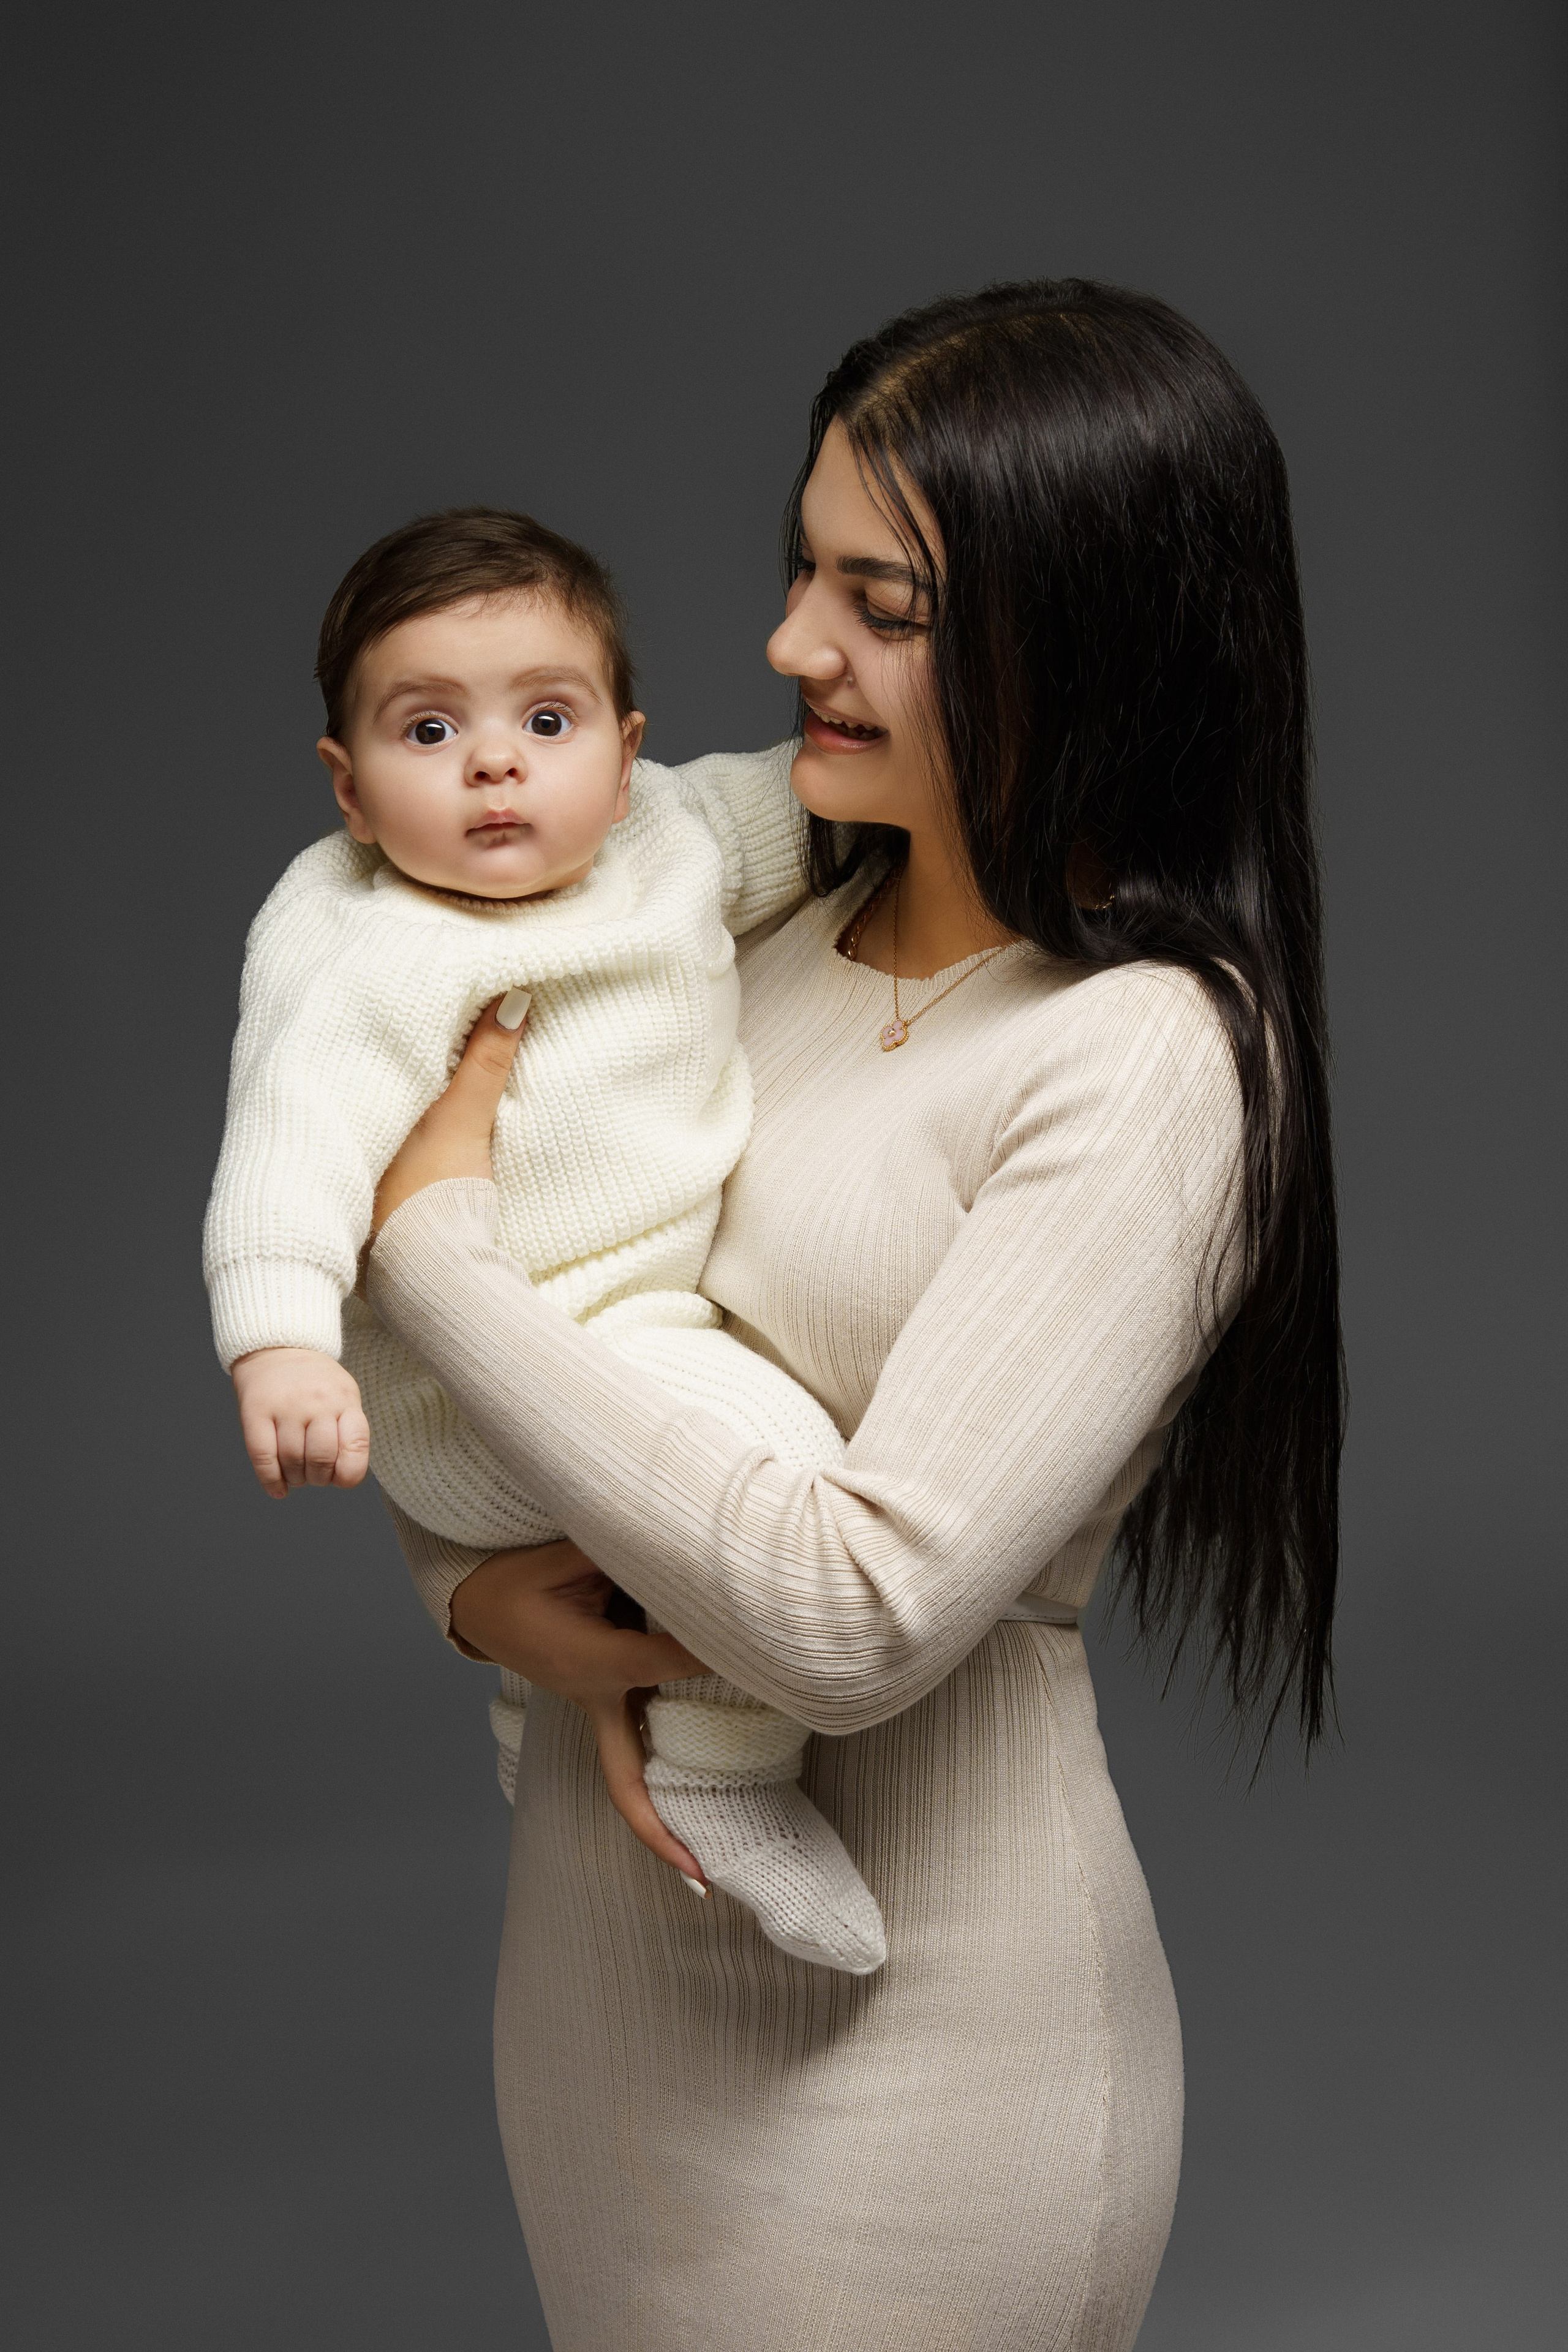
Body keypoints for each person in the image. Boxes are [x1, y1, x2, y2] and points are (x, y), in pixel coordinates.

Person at [360, 280, 1342, 2351]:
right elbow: (590, 1376)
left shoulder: (1144, 1054)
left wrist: (432, 1258)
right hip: (605, 2009)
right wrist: (474, 1600)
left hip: (914, 2045)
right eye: (804, 568)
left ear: (1079, 632)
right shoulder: (769, 932)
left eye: (882, 600)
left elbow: (855, 1611)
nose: (796, 640)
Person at [204, 507, 886, 1973]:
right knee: (779, 1484)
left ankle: (542, 1725)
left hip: (638, 1329)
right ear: (347, 789)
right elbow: (289, 1140)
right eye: (430, 730)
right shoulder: (363, 943)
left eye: (547, 718)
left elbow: (829, 800)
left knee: (703, 1488)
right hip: (477, 1386)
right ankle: (720, 1771)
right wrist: (279, 1345)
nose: (495, 763)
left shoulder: (668, 840)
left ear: (627, 753)